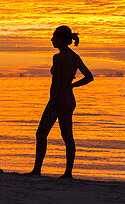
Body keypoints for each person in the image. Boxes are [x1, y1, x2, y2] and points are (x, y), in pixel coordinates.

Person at [25, 25, 94, 178]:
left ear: (61, 39)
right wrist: (72, 86)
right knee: (67, 136)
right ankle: (68, 173)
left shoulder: (58, 57)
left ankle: (37, 170)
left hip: (58, 99)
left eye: (54, 37)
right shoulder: (74, 57)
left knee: (41, 133)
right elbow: (89, 77)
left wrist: (53, 101)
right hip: (69, 98)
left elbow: (55, 82)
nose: (51, 39)